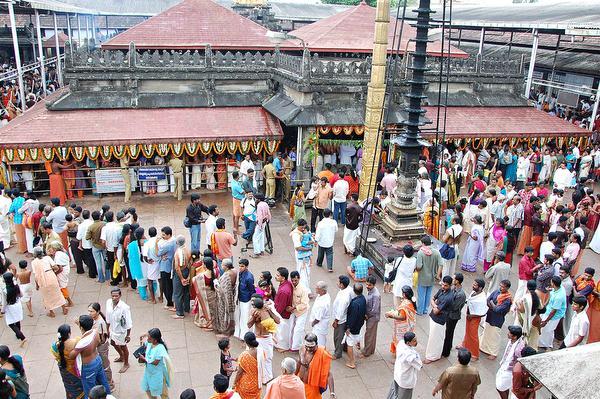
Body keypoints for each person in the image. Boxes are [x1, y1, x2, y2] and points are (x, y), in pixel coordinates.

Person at [69, 315, 111, 396]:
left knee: (90, 390)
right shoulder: (95, 332)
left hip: (88, 367)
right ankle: (108, 396)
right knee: (103, 382)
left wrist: (73, 345)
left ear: (81, 328)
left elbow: (71, 356)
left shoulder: (82, 343)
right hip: (97, 360)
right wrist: (80, 323)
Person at [423, 275, 453, 364]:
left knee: (435, 339)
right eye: (443, 284)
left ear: (450, 285)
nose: (443, 286)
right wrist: (435, 305)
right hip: (434, 317)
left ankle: (433, 356)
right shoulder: (442, 290)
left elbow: (436, 310)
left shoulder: (449, 297)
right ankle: (433, 354)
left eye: (446, 285)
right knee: (433, 337)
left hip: (439, 320)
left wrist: (434, 305)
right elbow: (432, 299)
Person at [480, 280, 513, 360]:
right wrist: (492, 305)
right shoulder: (497, 291)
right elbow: (488, 300)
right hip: (490, 315)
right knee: (487, 332)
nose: (501, 288)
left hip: (497, 319)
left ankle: (493, 353)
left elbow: (498, 310)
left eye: (503, 287)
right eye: (500, 286)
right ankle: (483, 347)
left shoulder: (507, 299)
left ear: (507, 288)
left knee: (495, 336)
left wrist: (491, 303)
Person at [31, 246, 68, 317]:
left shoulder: (34, 262)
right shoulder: (47, 258)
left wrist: (37, 285)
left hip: (41, 279)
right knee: (58, 292)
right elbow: (56, 267)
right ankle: (64, 308)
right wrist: (50, 269)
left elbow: (36, 276)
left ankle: (52, 312)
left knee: (46, 296)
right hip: (51, 276)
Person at [296, 333, 336, 399]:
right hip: (299, 383)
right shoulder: (302, 349)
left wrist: (332, 393)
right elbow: (299, 363)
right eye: (307, 346)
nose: (308, 349)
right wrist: (292, 376)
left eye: (311, 347)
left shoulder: (323, 354)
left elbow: (328, 375)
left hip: (312, 388)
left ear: (316, 344)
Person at [51, 324, 84, 398]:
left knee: (68, 386)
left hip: (64, 370)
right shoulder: (76, 342)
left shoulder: (55, 346)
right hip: (75, 370)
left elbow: (57, 357)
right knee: (79, 388)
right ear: (69, 333)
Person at [139, 328, 172, 399]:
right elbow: (145, 344)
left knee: (163, 393)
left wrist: (145, 359)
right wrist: (142, 337)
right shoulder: (150, 343)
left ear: (155, 340)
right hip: (149, 372)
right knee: (148, 389)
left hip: (158, 374)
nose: (147, 340)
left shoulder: (160, 348)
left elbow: (156, 362)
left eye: (149, 338)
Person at [89, 302, 114, 391]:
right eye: (89, 311)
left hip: (102, 347)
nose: (90, 313)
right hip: (99, 346)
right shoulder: (95, 320)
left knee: (105, 365)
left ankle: (110, 384)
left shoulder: (100, 323)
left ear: (98, 311)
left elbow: (102, 339)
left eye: (92, 311)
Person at [106, 288, 132, 373]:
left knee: (123, 346)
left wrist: (128, 335)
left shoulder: (124, 308)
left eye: (116, 296)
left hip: (121, 331)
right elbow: (108, 317)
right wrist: (107, 329)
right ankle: (121, 356)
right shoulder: (108, 303)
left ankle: (126, 363)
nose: (114, 298)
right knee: (113, 343)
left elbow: (128, 322)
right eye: (113, 296)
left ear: (120, 296)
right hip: (112, 329)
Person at [495, 325, 526, 399]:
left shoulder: (519, 349)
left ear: (514, 337)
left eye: (509, 333)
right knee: (504, 387)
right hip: (504, 366)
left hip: (510, 371)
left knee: (499, 387)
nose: (507, 333)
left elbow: (520, 361)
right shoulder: (512, 341)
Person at [388, 331, 421, 399]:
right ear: (408, 343)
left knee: (394, 392)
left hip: (398, 374)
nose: (416, 342)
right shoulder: (411, 356)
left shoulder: (401, 343)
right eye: (414, 341)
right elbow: (419, 364)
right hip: (406, 380)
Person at [415, 235, 443, 315]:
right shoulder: (436, 252)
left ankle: (420, 310)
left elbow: (419, 266)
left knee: (421, 295)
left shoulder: (421, 253)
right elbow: (441, 264)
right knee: (428, 294)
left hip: (423, 277)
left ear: (423, 243)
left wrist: (416, 269)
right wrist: (438, 275)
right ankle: (425, 310)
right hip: (432, 277)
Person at [442, 273, 466, 358]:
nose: (452, 280)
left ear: (457, 281)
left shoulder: (460, 294)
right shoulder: (454, 289)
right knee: (449, 332)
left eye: (454, 279)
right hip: (450, 314)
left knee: (449, 333)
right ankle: (448, 346)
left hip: (453, 316)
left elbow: (454, 307)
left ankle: (446, 351)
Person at [539, 276, 567, 350]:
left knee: (547, 330)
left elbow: (553, 311)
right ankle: (544, 343)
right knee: (546, 330)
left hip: (554, 316)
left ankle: (545, 344)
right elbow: (550, 295)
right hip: (548, 310)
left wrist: (546, 321)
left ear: (553, 284)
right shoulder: (559, 288)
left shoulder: (559, 297)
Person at [344, 283, 366, 369]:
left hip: (353, 327)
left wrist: (348, 328)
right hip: (360, 324)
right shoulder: (363, 298)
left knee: (349, 344)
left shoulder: (354, 304)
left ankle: (351, 362)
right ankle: (358, 346)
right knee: (358, 337)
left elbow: (352, 317)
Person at [233, 331, 261, 399]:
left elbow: (239, 372)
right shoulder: (261, 352)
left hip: (246, 384)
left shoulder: (244, 356)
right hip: (257, 382)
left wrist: (234, 383)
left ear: (246, 342)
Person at [192, 256, 217, 330]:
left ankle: (207, 322)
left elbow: (194, 280)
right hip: (212, 293)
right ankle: (213, 321)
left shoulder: (202, 275)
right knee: (212, 309)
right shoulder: (215, 272)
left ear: (205, 265)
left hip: (204, 294)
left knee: (204, 309)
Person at [2, 272, 26, 346]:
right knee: (17, 319)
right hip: (17, 304)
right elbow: (21, 295)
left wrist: (2, 310)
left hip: (10, 307)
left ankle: (22, 337)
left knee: (10, 323)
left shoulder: (5, 290)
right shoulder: (16, 285)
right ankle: (18, 334)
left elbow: (4, 302)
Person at [214, 259, 237, 337]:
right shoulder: (234, 271)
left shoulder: (226, 276)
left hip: (225, 299)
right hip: (231, 296)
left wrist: (216, 284)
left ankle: (225, 331)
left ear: (226, 267)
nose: (221, 266)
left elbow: (222, 290)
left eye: (222, 265)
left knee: (225, 314)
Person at [331, 275, 352, 359]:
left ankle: (337, 353)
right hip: (345, 317)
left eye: (338, 282)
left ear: (342, 285)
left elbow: (340, 311)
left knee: (338, 337)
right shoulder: (348, 289)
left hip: (341, 320)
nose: (337, 283)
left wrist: (336, 321)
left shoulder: (344, 298)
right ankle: (344, 348)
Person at [156, 226, 176, 310]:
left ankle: (169, 302)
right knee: (170, 285)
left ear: (169, 235)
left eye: (164, 235)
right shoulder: (174, 240)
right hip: (170, 264)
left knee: (166, 286)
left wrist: (156, 243)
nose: (162, 236)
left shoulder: (167, 245)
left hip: (165, 266)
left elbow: (157, 253)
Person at [290, 219, 313, 292]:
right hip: (301, 256)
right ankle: (305, 290)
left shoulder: (303, 231)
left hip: (306, 256)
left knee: (306, 272)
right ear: (298, 226)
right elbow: (298, 248)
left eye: (304, 227)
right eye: (302, 228)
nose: (303, 229)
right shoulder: (296, 234)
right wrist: (309, 249)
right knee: (303, 272)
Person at [235, 258, 255, 340]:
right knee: (240, 316)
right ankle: (239, 333)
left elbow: (251, 290)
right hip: (240, 298)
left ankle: (245, 336)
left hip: (246, 300)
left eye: (242, 266)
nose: (240, 268)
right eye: (239, 266)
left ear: (246, 267)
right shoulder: (240, 273)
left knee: (245, 317)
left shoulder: (249, 277)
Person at [172, 235, 191, 319]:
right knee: (186, 291)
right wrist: (189, 275)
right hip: (186, 270)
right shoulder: (187, 249)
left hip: (181, 272)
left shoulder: (178, 252)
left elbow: (177, 267)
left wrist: (181, 278)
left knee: (178, 293)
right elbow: (190, 263)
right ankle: (186, 308)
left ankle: (179, 313)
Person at [362, 276, 381, 357]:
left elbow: (375, 310)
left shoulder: (376, 295)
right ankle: (370, 350)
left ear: (373, 285)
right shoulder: (371, 291)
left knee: (369, 335)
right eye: (366, 284)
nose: (367, 286)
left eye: (369, 285)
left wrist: (367, 315)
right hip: (371, 316)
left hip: (372, 317)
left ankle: (367, 352)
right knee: (372, 334)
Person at [309, 281, 331, 347]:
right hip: (319, 325)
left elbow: (318, 319)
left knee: (320, 342)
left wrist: (313, 323)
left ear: (322, 290)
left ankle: (321, 355)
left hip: (319, 326)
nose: (315, 288)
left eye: (317, 288)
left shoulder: (323, 304)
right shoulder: (322, 295)